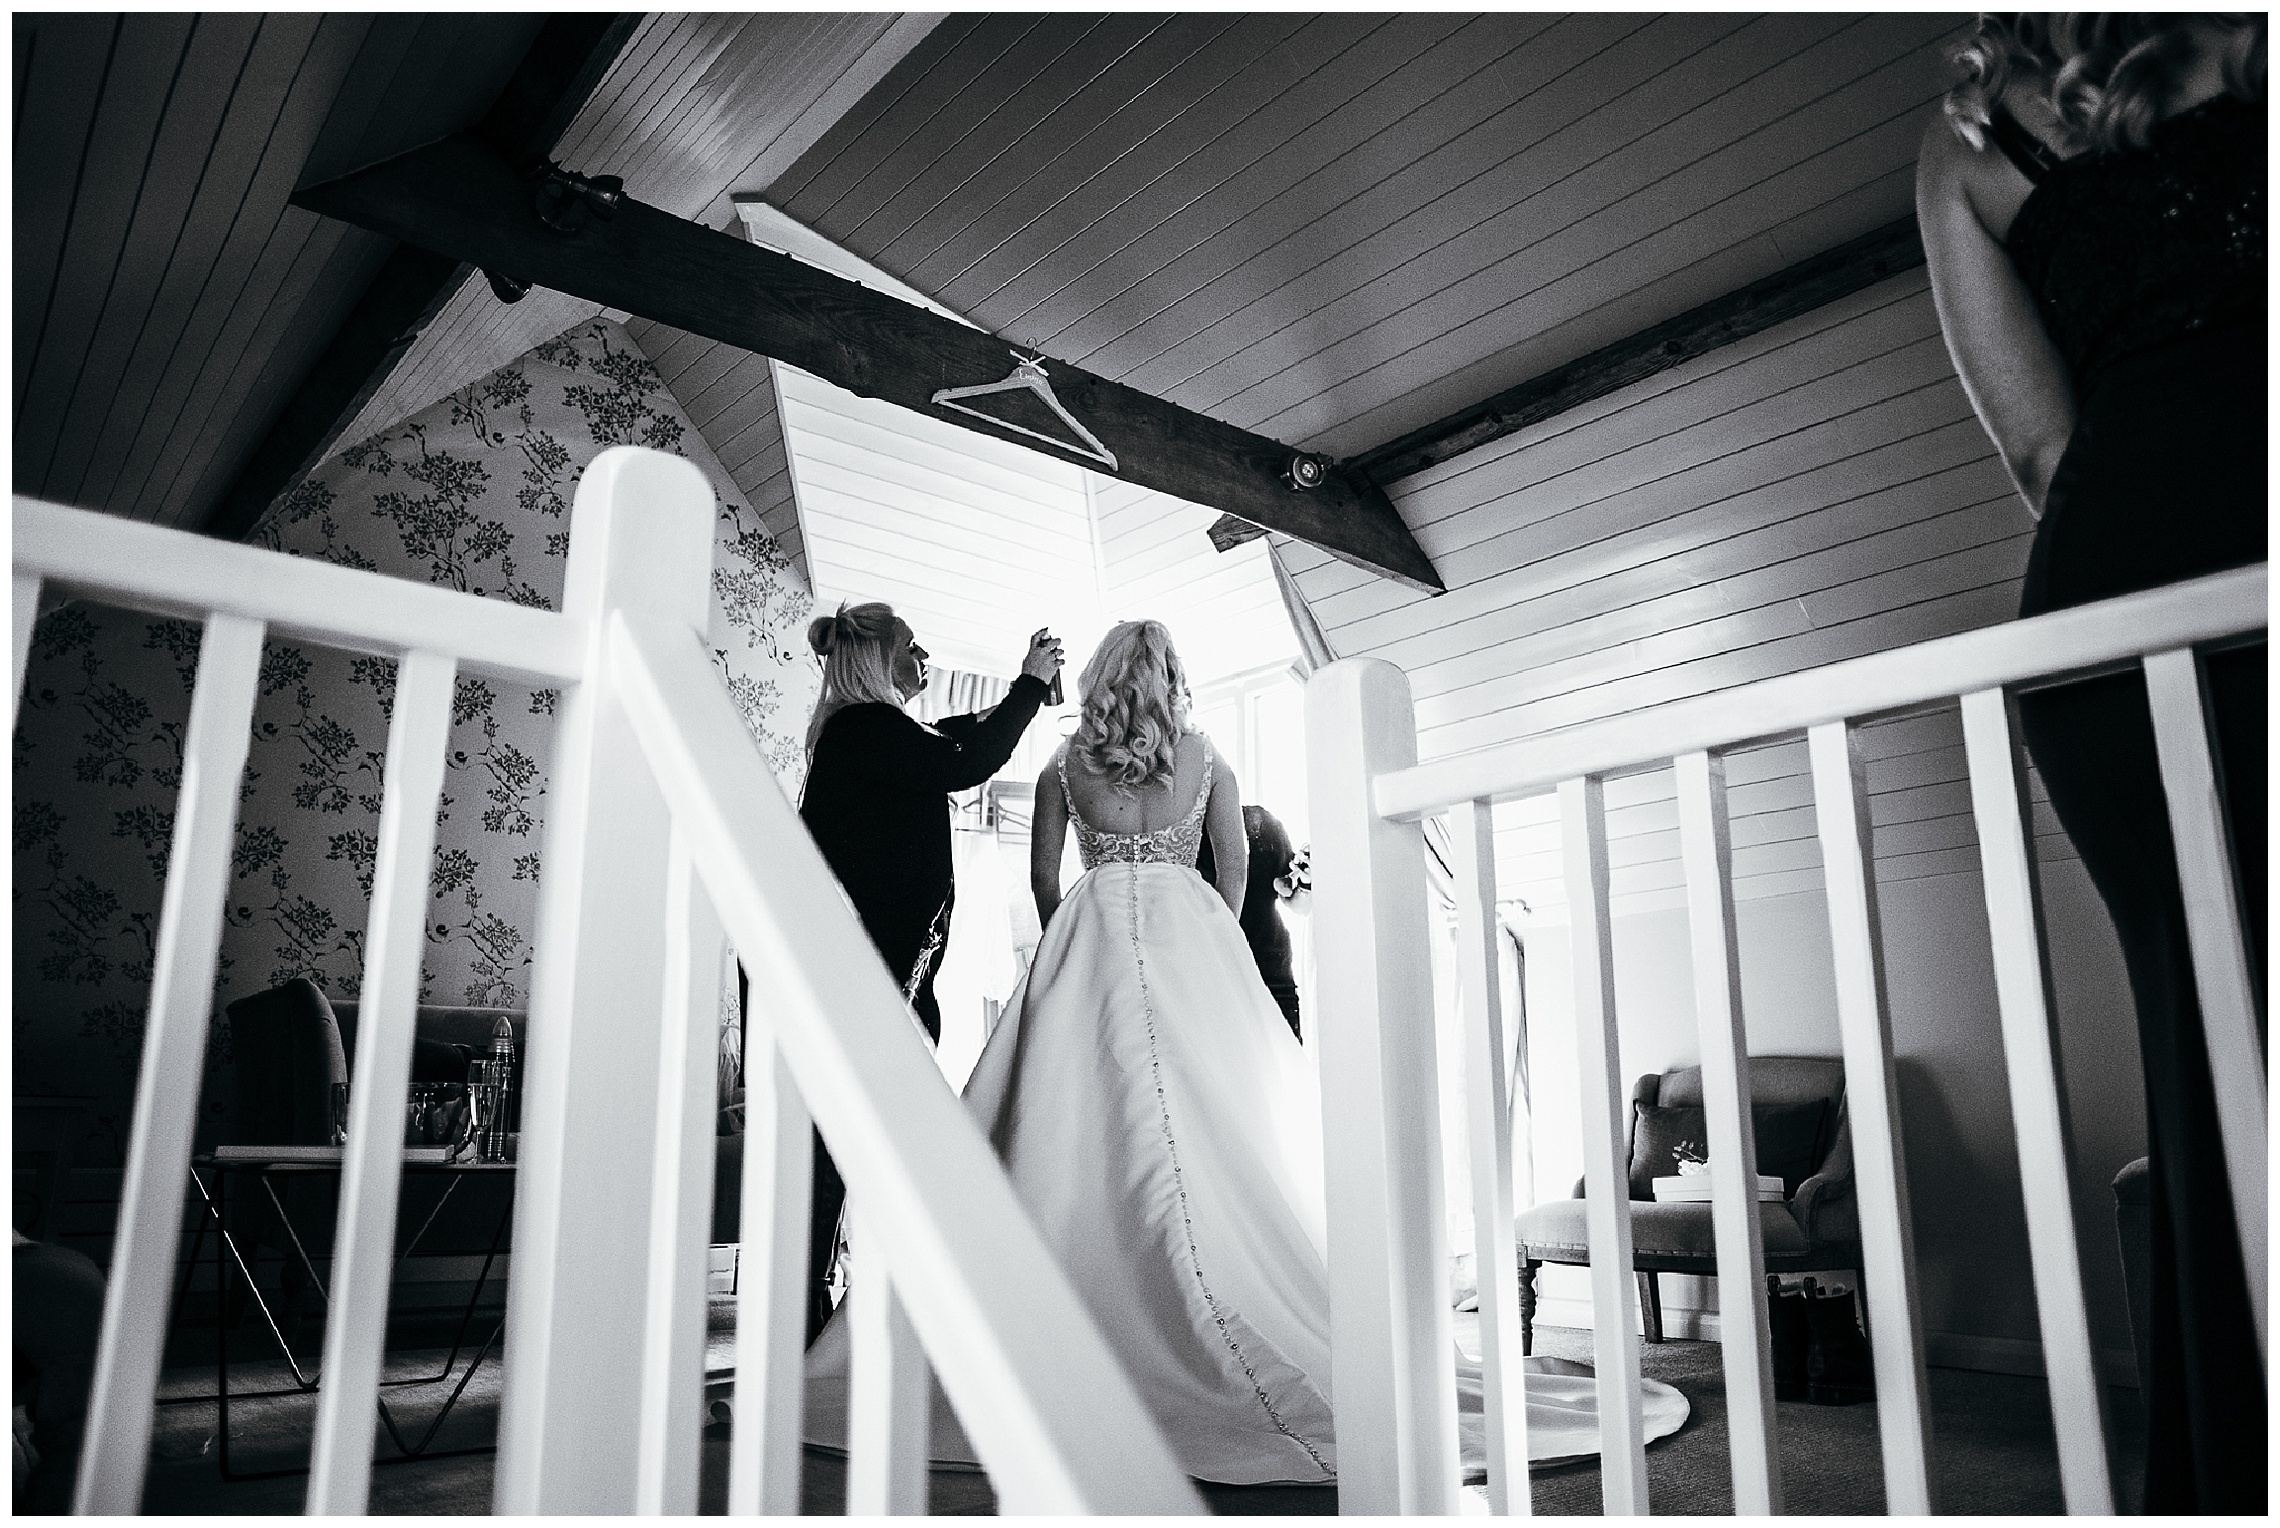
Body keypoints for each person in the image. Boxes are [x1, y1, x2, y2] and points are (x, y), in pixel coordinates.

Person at [800, 620, 1685, 1484]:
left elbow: (1042, 881)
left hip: (1090, 944)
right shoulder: (1206, 758)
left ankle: (1072, 1307)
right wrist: (1204, 949)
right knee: (1223, 1132)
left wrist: (1075, 939)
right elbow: (1231, 870)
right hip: (1190, 948)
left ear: (1103, 679)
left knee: (1075, 1134)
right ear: (1169, 678)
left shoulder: (1064, 765)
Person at [1916, 15, 2264, 1512]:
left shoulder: (1967, 140)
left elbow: (2049, 458)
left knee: (2222, 1055)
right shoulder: (1969, 137)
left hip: (2122, 612)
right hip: (2169, 631)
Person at [794, 602, 1063, 1341]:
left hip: (877, 975)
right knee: (834, 1149)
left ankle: (820, 1312)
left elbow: (953, 737)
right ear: (878, 659)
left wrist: (1020, 688)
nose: (926, 658)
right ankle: (806, 1320)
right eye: (913, 647)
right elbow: (965, 761)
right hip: (860, 979)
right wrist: (1031, 691)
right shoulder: (864, 731)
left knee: (843, 1146)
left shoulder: (874, 735)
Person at [1196, 803, 1306, 1040]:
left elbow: (1292, 897)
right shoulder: (1180, 836)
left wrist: (1305, 883)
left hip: (1272, 981)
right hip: (1209, 988)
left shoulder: (1259, 821)